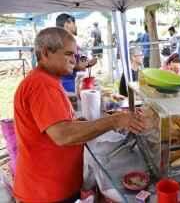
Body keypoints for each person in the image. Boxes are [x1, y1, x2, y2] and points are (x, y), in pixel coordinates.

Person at [13, 27, 146, 202]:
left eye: (75, 55)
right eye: (68, 54)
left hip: (50, 187)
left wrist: (78, 123)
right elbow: (63, 135)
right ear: (46, 53)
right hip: (45, 192)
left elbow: (57, 125)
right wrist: (116, 120)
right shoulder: (41, 85)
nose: (74, 60)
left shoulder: (46, 80)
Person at [56, 13, 97, 93]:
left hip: (74, 85)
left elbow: (82, 60)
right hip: (66, 87)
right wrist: (84, 64)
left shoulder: (73, 43)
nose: (76, 26)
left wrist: (88, 63)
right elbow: (69, 64)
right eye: (74, 23)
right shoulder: (61, 42)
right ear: (67, 23)